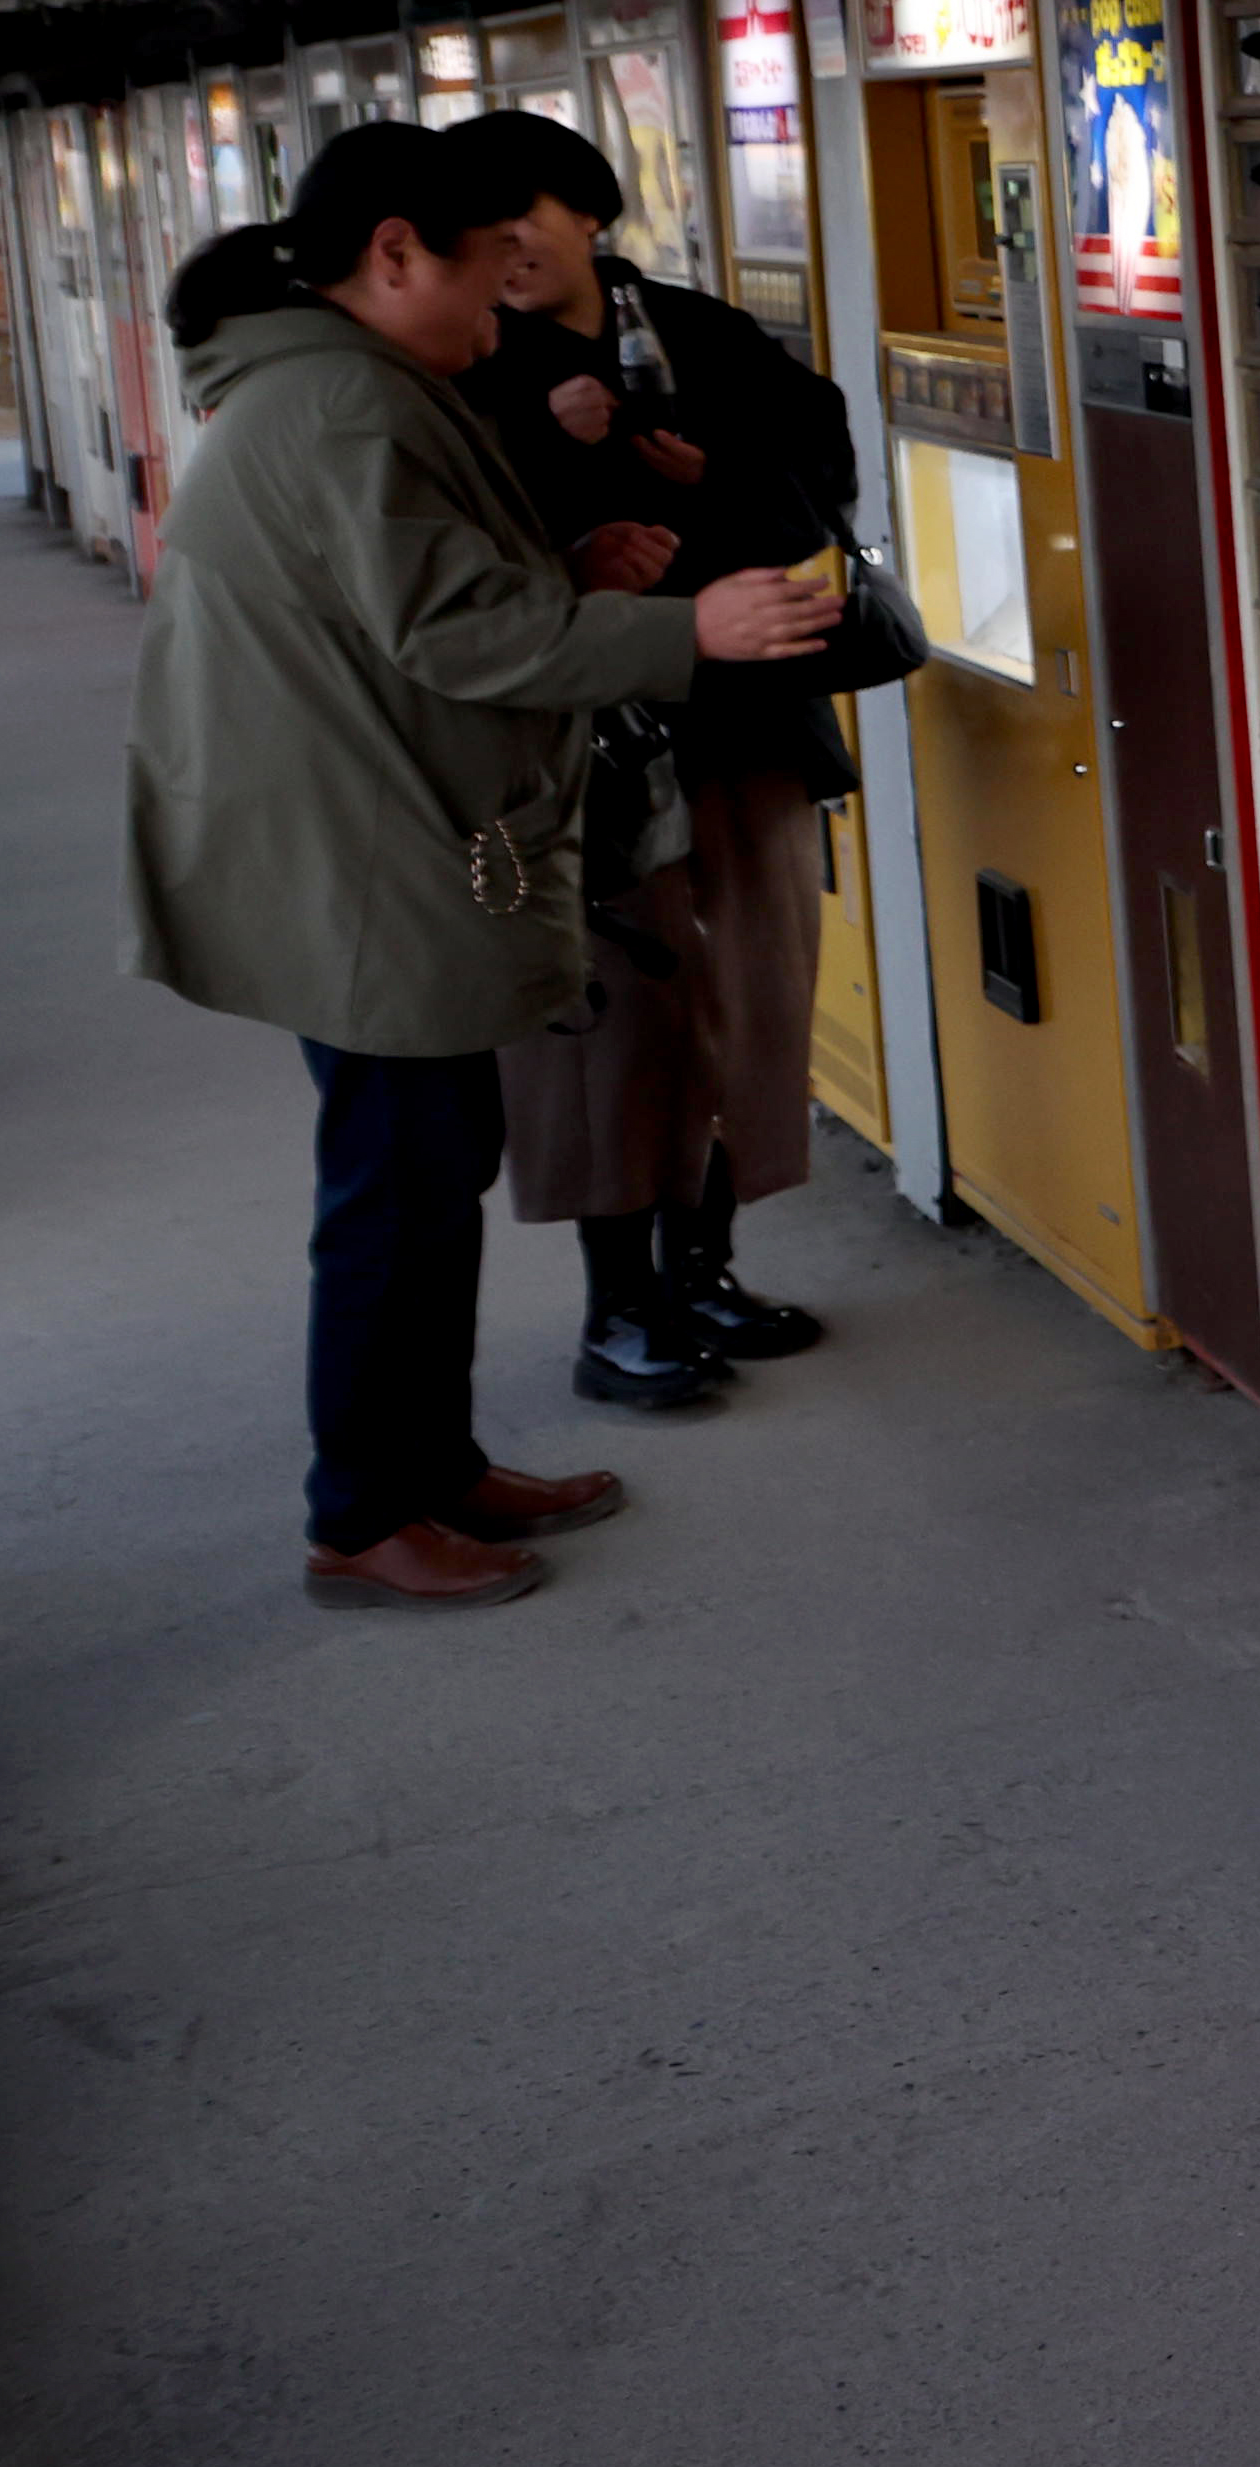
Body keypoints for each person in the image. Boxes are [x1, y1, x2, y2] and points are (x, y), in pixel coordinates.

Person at [123, 118, 838, 1611]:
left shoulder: (349, 383)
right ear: (395, 254)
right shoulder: (340, 407)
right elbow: (453, 638)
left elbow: (419, 603)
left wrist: (570, 579)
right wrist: (683, 632)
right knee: (394, 1188)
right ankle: (365, 1513)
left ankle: (430, 1466)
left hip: (367, 833)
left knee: (428, 1169)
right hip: (357, 855)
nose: (501, 306)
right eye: (482, 273)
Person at [458, 115, 863, 1407]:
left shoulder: (703, 330)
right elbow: (458, 570)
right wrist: (561, 453)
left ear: (589, 211)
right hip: (591, 750)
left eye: (528, 211)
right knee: (611, 1031)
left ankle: (705, 1272)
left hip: (744, 726)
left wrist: (720, 467)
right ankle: (616, 1309)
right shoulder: (469, 370)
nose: (510, 245)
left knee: (748, 994)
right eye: (486, 225)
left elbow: (827, 469)